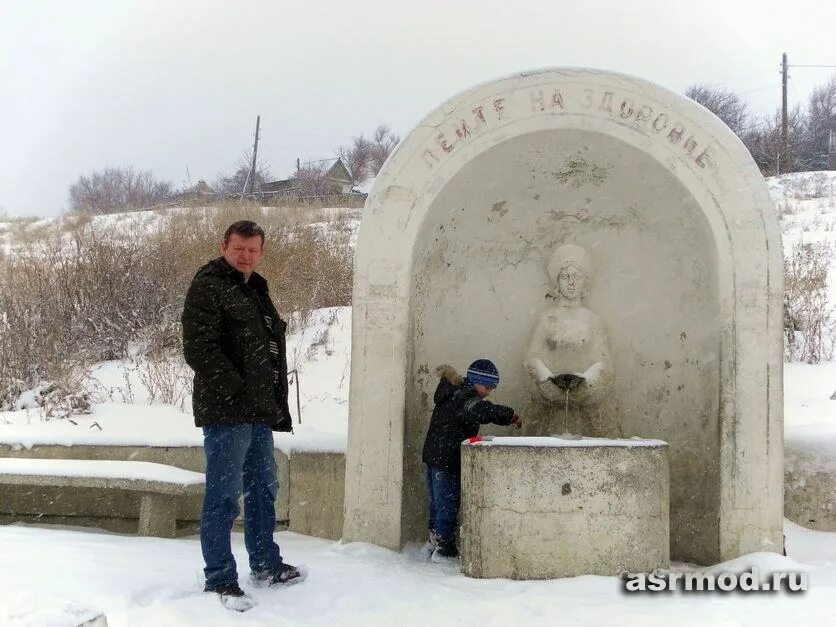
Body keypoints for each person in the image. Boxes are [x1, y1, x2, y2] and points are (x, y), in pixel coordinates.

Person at [182, 220, 303, 612]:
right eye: (239, 249)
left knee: (263, 491)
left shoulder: (256, 289)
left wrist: (265, 400)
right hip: (227, 413)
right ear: (224, 246)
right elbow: (199, 349)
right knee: (223, 498)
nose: (245, 256)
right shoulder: (208, 285)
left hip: (257, 413)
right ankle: (220, 578)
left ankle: (266, 564)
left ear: (261, 252)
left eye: (252, 250)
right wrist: (237, 389)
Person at [421, 359, 522, 560]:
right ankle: (444, 550)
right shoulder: (467, 399)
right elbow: (485, 411)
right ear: (476, 382)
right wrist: (511, 416)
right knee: (447, 505)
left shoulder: (452, 393)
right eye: (488, 387)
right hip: (446, 460)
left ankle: (433, 542)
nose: (489, 392)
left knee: (437, 503)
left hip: (434, 457)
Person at [522, 244, 614, 437]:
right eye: (565, 277)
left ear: (584, 283)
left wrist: (586, 382)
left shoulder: (592, 319)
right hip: (550, 405)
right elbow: (532, 357)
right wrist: (546, 379)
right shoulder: (547, 318)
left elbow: (604, 362)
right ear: (557, 282)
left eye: (576, 277)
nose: (571, 283)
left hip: (584, 405)